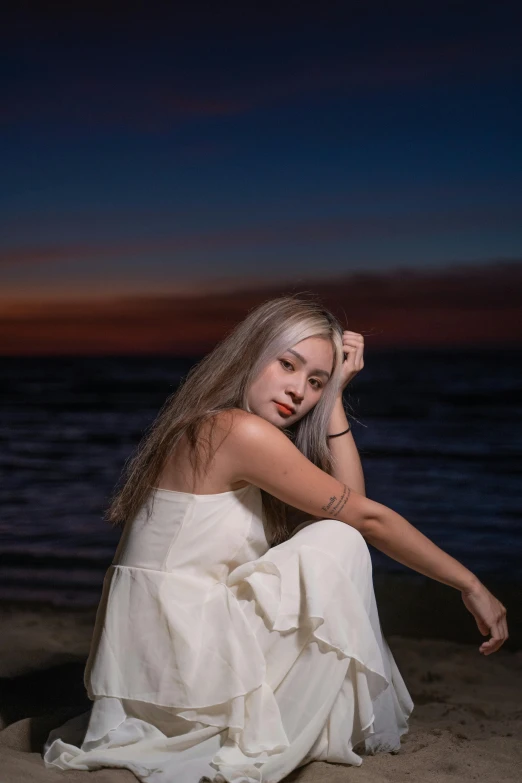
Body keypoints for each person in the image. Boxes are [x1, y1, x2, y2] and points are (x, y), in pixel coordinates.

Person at [43, 295, 508, 783]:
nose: (297, 392)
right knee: (339, 541)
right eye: (288, 365)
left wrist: (335, 399)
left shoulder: (210, 423)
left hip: (155, 665)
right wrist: (468, 583)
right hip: (176, 661)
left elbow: (349, 507)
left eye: (315, 383)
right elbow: (364, 520)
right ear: (252, 354)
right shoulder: (236, 431)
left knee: (335, 536)